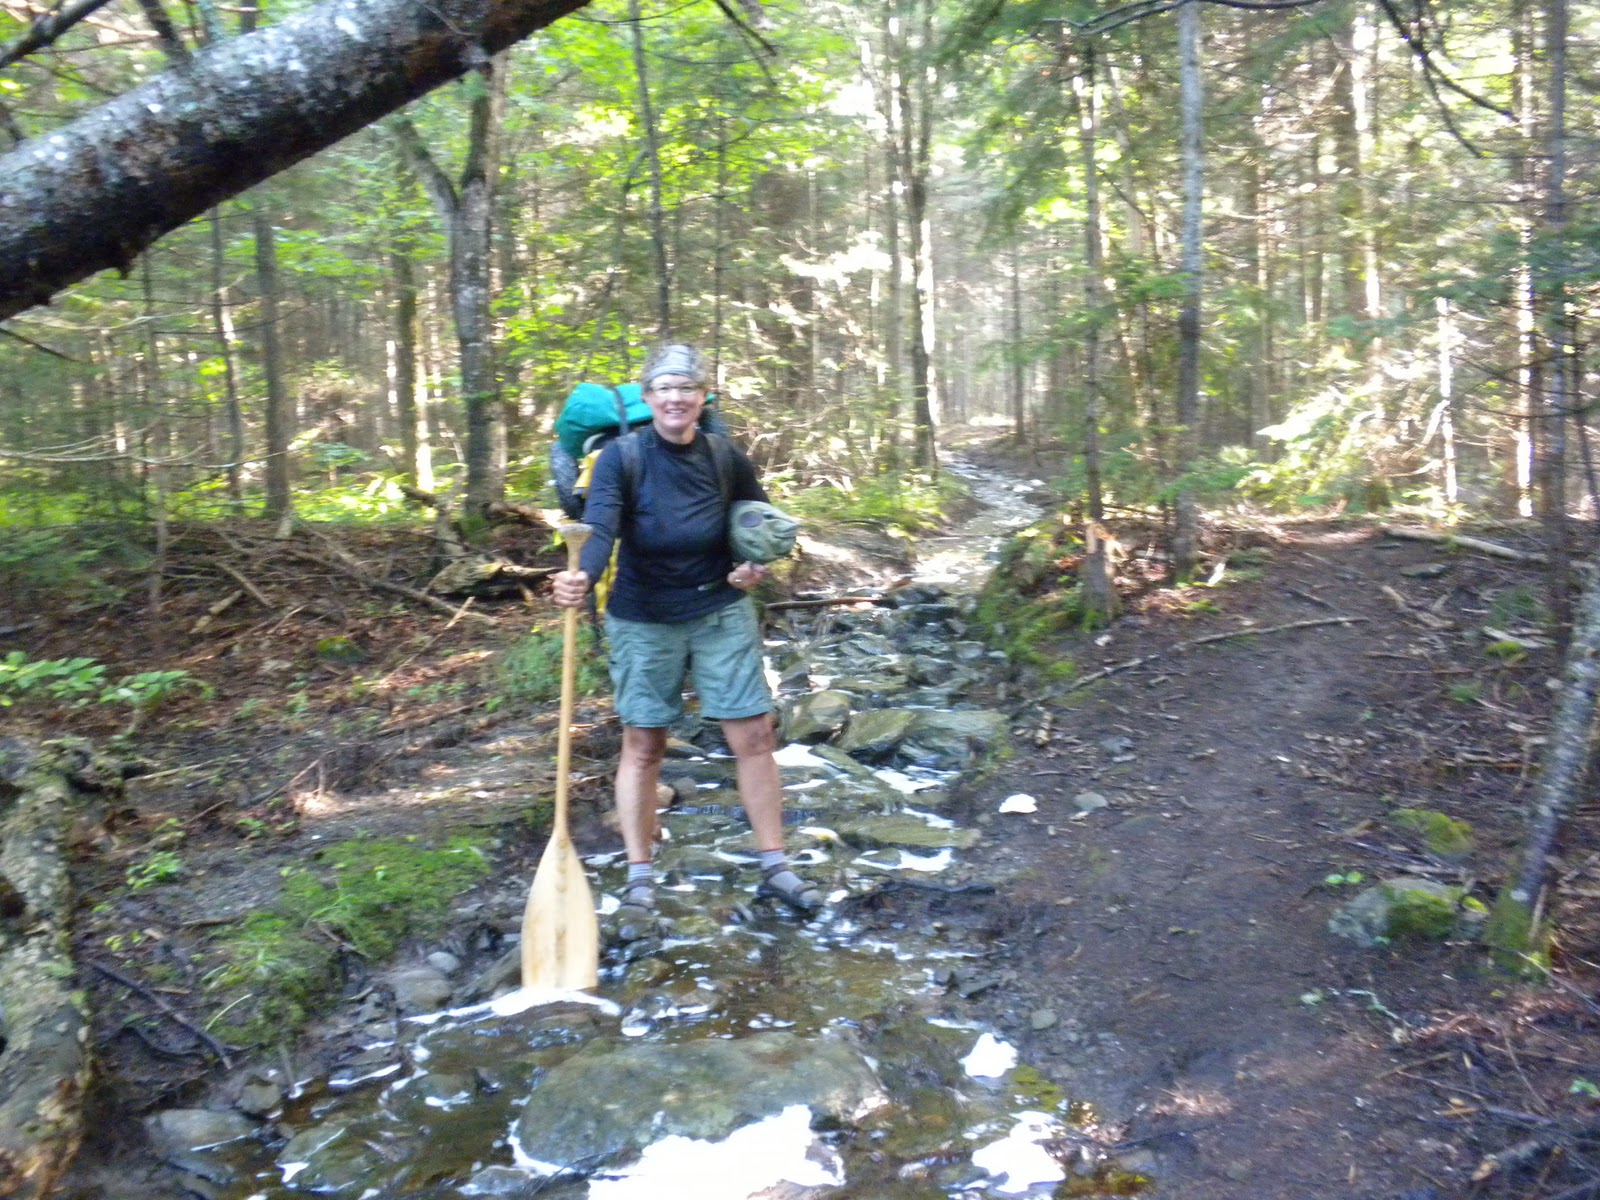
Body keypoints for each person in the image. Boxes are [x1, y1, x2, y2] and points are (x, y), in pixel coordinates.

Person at [550, 344, 822, 940]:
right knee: (644, 743)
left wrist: (752, 566)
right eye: (664, 389)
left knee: (754, 736)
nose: (676, 398)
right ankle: (640, 873)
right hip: (644, 616)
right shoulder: (622, 458)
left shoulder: (725, 456)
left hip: (718, 608)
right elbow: (601, 529)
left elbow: (757, 524)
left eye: (687, 388)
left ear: (703, 397)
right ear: (648, 398)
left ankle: (775, 864)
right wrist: (581, 578)